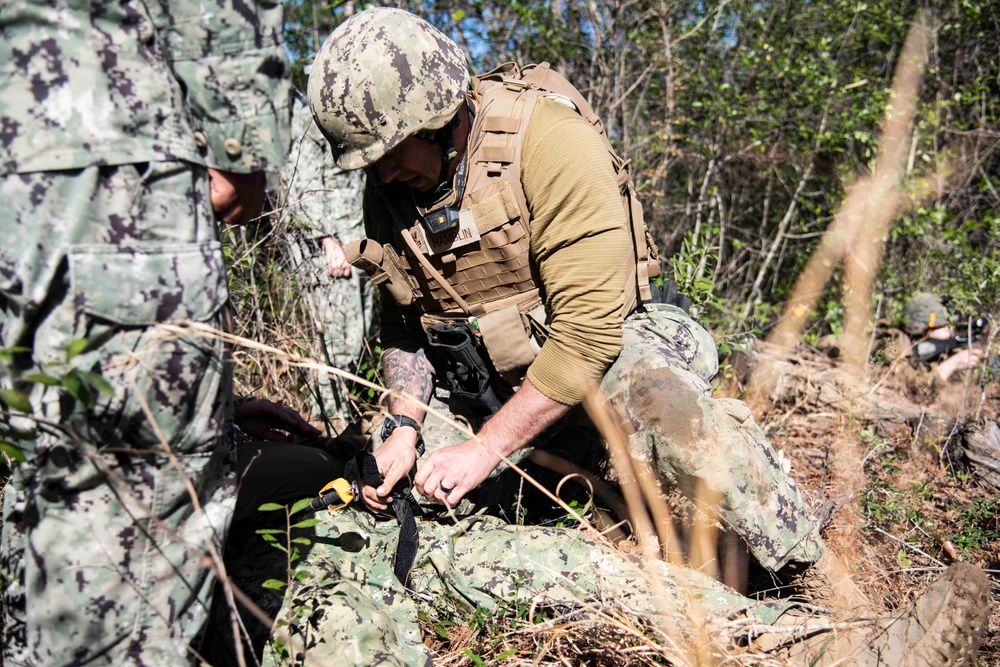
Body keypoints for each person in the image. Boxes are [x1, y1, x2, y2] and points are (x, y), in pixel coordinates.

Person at [306, 8, 849, 602]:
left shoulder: (547, 141)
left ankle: (811, 570)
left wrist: (485, 448)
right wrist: (405, 428)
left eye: (392, 152)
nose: (382, 174)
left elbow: (589, 337)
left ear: (438, 116)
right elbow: (407, 324)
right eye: (369, 162)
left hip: (618, 345)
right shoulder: (394, 189)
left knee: (657, 402)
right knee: (392, 495)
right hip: (501, 390)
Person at [0, 3, 328, 664]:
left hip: (23, 152)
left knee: (50, 470)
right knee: (135, 539)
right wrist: (239, 147)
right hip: (113, 154)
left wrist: (212, 412)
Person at [275, 94, 374, 431]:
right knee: (334, 341)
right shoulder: (294, 115)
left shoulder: (312, 106)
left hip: (353, 235)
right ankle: (331, 421)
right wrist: (324, 238)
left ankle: (344, 416)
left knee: (356, 333)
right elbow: (299, 181)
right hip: (330, 246)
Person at [901, 292, 985, 382]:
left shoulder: (942, 353)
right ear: (922, 329)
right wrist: (952, 364)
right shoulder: (900, 347)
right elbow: (919, 387)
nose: (950, 329)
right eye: (944, 326)